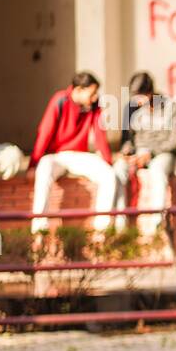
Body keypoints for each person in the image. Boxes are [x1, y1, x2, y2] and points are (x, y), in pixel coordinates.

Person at [29, 71, 115, 234]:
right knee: (44, 168)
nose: (96, 97)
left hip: (79, 156)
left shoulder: (95, 106)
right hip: (57, 156)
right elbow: (44, 133)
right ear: (78, 90)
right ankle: (39, 228)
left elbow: (100, 137)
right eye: (92, 93)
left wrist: (108, 162)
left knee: (108, 174)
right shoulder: (60, 100)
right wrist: (32, 164)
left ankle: (102, 230)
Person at [114, 71, 176, 236]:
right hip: (139, 152)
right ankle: (119, 224)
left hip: (163, 153)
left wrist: (151, 154)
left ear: (150, 92)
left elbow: (174, 141)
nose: (137, 100)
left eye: (140, 95)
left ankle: (156, 224)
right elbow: (128, 140)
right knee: (118, 169)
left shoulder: (171, 106)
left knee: (157, 172)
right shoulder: (131, 108)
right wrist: (127, 153)